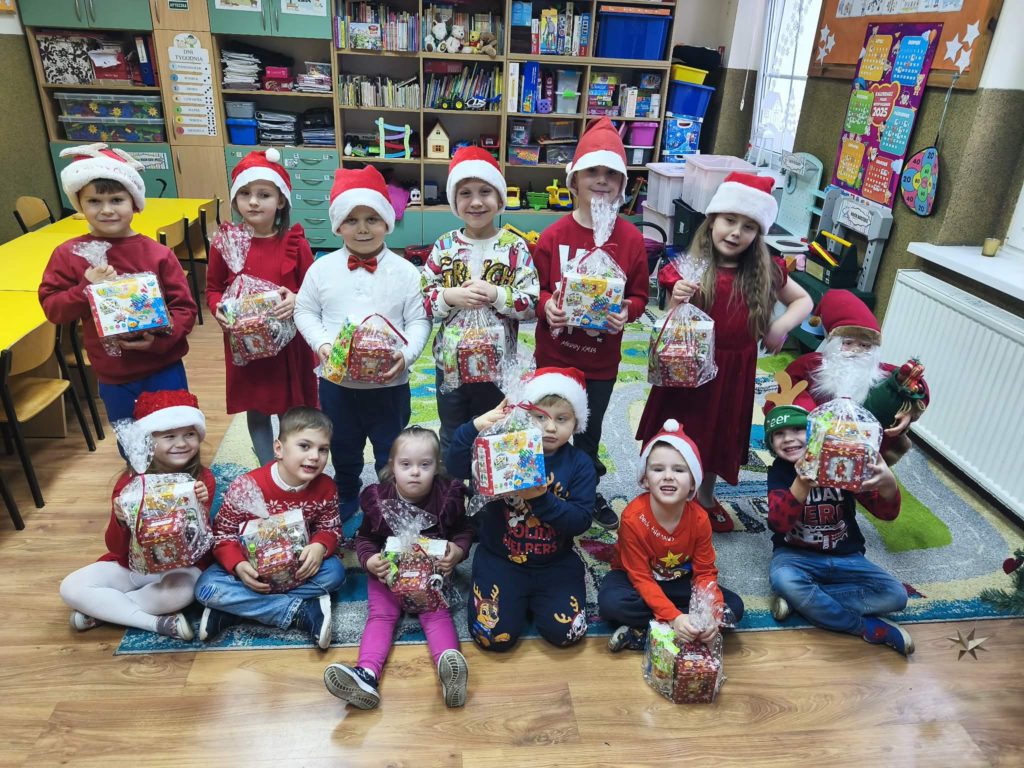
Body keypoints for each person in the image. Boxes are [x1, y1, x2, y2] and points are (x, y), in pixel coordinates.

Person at [639, 172, 813, 532]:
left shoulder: (767, 271)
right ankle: (668, 491)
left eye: (748, 226)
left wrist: (780, 326)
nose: (735, 232)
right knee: (681, 428)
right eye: (729, 220)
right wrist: (677, 296)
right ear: (712, 220)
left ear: (758, 234)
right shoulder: (688, 267)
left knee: (720, 434)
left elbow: (804, 301)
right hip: (687, 369)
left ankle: (704, 495)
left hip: (734, 370)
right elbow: (670, 317)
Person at [294, 165, 431, 524]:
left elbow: (419, 320)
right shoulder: (321, 269)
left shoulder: (406, 272)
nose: (363, 229)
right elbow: (304, 310)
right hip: (336, 382)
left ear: (387, 221)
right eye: (351, 220)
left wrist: (406, 355)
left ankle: (391, 498)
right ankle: (345, 492)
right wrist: (323, 345)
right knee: (342, 444)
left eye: (372, 218)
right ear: (337, 226)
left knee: (391, 447)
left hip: (389, 384)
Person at [532, 118, 651, 531]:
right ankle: (538, 488)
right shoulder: (553, 235)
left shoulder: (630, 239)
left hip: (600, 363)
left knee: (588, 431)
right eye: (592, 172)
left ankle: (584, 491)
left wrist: (628, 311)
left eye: (611, 174)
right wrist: (547, 307)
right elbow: (535, 289)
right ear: (574, 180)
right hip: (553, 356)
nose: (601, 180)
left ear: (622, 184)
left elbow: (641, 295)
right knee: (545, 425)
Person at [38, 143, 198, 427]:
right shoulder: (69, 255)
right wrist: (86, 289)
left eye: (116, 200)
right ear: (80, 205)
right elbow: (53, 309)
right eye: (94, 201)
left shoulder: (158, 254)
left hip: (164, 365)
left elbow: (185, 308)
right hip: (115, 374)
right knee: (131, 439)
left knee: (176, 434)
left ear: (134, 203)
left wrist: (160, 340)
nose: (106, 210)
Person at [446, 367, 596, 651]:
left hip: (555, 562)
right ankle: (515, 601)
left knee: (567, 633)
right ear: (523, 415)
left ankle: (530, 602)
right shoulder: (501, 448)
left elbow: (581, 521)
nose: (550, 427)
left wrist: (541, 499)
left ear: (576, 422)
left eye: (561, 419)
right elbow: (455, 466)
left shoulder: (580, 464)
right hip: (501, 558)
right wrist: (475, 427)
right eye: (540, 417)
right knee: (492, 637)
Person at [323, 426, 472, 710]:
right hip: (388, 576)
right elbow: (365, 538)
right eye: (406, 465)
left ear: (437, 467)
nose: (415, 472)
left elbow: (463, 530)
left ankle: (450, 667)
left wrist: (457, 551)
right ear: (392, 466)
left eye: (424, 465)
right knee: (381, 616)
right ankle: (366, 675)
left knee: (436, 614)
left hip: (430, 576)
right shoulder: (379, 499)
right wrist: (370, 561)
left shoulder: (447, 497)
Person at [763, 398, 914, 656]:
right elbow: (778, 524)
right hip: (795, 556)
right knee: (784, 579)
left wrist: (888, 485)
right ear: (770, 443)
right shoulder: (779, 472)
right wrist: (801, 483)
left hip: (847, 556)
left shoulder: (842, 461)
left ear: (816, 433)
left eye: (798, 429)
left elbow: (886, 513)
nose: (788, 439)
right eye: (779, 434)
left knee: (896, 596)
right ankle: (862, 626)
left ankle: (805, 602)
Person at [59, 390, 213, 640]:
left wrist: (201, 507)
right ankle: (154, 623)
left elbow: (203, 543)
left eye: (190, 434)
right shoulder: (128, 485)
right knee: (71, 587)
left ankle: (103, 611)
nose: (182, 443)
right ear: (148, 441)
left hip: (180, 568)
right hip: (133, 565)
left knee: (182, 593)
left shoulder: (202, 479)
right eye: (169, 436)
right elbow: (116, 548)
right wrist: (120, 519)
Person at [195, 406, 344, 649]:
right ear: (278, 449)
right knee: (206, 587)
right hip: (252, 570)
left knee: (336, 573)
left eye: (323, 449)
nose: (315, 456)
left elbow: (331, 527)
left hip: (297, 568)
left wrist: (320, 546)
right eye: (304, 446)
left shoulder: (326, 487)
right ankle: (299, 612)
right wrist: (239, 565)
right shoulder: (245, 487)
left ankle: (235, 609)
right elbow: (222, 534)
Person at [421, 146, 538, 454]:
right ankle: (452, 482)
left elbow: (532, 304)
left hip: (499, 366)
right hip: (450, 364)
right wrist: (449, 296)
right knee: (452, 430)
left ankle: (488, 481)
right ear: (454, 201)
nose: (475, 201)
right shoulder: (444, 246)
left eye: (485, 191)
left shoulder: (515, 247)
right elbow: (423, 300)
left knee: (496, 429)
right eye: (465, 193)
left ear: (500, 199)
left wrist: (497, 295)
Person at [207, 148, 318, 466]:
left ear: (280, 201)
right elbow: (213, 289)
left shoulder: (295, 242)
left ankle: (289, 461)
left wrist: (296, 299)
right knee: (255, 406)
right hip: (246, 346)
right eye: (245, 194)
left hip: (288, 346)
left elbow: (313, 289)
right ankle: (268, 466)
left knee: (289, 408)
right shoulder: (226, 243)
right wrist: (218, 309)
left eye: (264, 194)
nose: (253, 202)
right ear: (235, 199)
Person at [598, 419, 744, 651]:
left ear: (693, 482)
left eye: (679, 470)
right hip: (635, 580)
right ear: (645, 479)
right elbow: (640, 577)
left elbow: (704, 572)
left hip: (679, 582)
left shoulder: (699, 519)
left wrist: (710, 615)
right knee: (611, 603)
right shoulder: (632, 518)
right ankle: (680, 626)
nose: (668, 476)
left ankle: (650, 631)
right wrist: (674, 617)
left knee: (733, 606)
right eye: (658, 469)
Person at [781, 289, 929, 466]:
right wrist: (810, 418)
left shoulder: (881, 372)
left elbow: (918, 384)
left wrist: (910, 410)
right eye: (848, 343)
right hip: (814, 445)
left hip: (863, 452)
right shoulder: (808, 365)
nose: (856, 350)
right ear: (833, 343)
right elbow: (787, 389)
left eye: (865, 345)